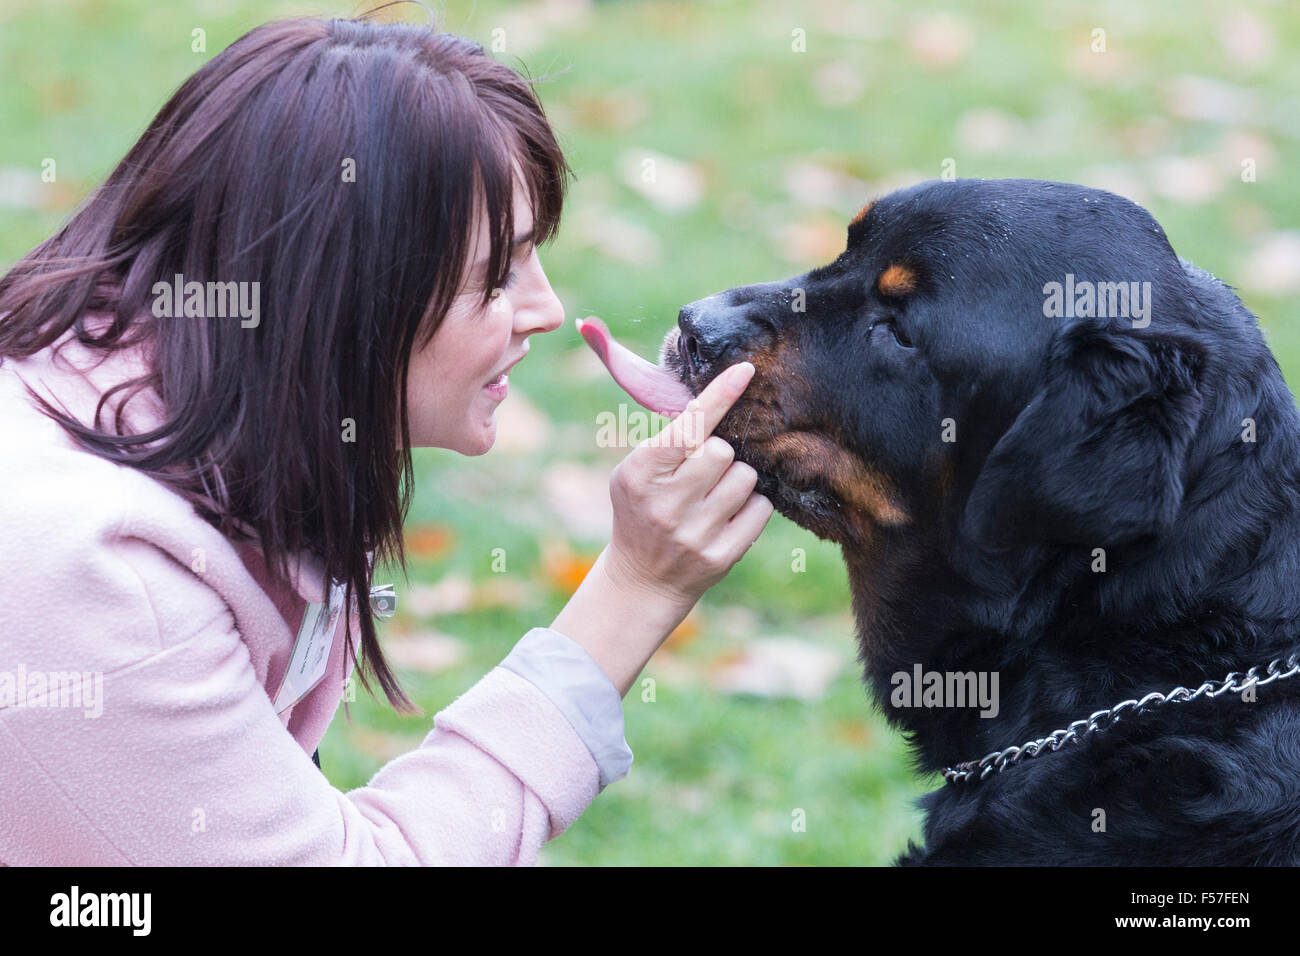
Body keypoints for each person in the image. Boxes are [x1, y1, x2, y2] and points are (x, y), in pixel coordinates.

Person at [0, 13, 773, 864]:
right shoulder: (101, 576)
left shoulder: (196, 421)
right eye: (494, 274)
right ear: (343, 292)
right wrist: (632, 591)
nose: (546, 310)